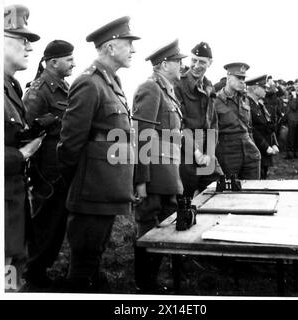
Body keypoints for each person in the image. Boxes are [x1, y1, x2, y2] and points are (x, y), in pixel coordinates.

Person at [57, 16, 140, 292]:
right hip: (91, 189)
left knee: (96, 252)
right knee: (84, 259)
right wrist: (77, 180)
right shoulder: (89, 83)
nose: (133, 50)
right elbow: (70, 142)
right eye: (129, 44)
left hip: (106, 188)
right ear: (111, 47)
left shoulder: (111, 82)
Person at [133, 39, 186, 293]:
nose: (182, 66)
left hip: (167, 171)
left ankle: (150, 279)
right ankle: (145, 283)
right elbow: (142, 134)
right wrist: (141, 179)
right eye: (178, 61)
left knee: (164, 224)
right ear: (165, 64)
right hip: (154, 172)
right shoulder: (150, 88)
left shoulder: (167, 90)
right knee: (148, 225)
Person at [22, 40, 75, 289]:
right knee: (44, 222)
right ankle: (33, 272)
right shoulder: (38, 89)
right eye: (68, 59)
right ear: (53, 62)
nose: (73, 63)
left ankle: (41, 269)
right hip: (45, 170)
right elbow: (25, 128)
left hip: (59, 168)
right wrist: (50, 120)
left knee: (56, 222)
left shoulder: (62, 87)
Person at [4, 4, 42, 291]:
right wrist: (22, 154)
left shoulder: (12, 87)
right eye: (22, 39)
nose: (29, 47)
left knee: (13, 281)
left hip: (14, 207)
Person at [174, 41, 223, 197]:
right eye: (193, 60)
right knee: (184, 196)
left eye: (201, 62)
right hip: (184, 149)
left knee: (216, 188)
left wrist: (209, 152)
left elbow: (213, 123)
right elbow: (178, 125)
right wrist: (195, 151)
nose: (196, 65)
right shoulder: (178, 85)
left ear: (210, 63)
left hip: (205, 149)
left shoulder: (209, 87)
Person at [214, 62, 261, 179]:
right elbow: (210, 132)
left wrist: (253, 148)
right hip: (227, 154)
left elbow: (249, 128)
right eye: (239, 78)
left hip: (249, 152)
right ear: (229, 78)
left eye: (243, 78)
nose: (242, 81)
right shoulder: (215, 101)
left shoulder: (245, 100)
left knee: (253, 190)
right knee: (229, 194)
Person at [246, 75, 279, 179]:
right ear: (255, 89)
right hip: (256, 151)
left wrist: (273, 143)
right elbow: (251, 129)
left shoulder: (259, 105)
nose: (266, 90)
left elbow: (267, 126)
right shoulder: (247, 105)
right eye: (263, 88)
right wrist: (266, 146)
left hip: (264, 152)